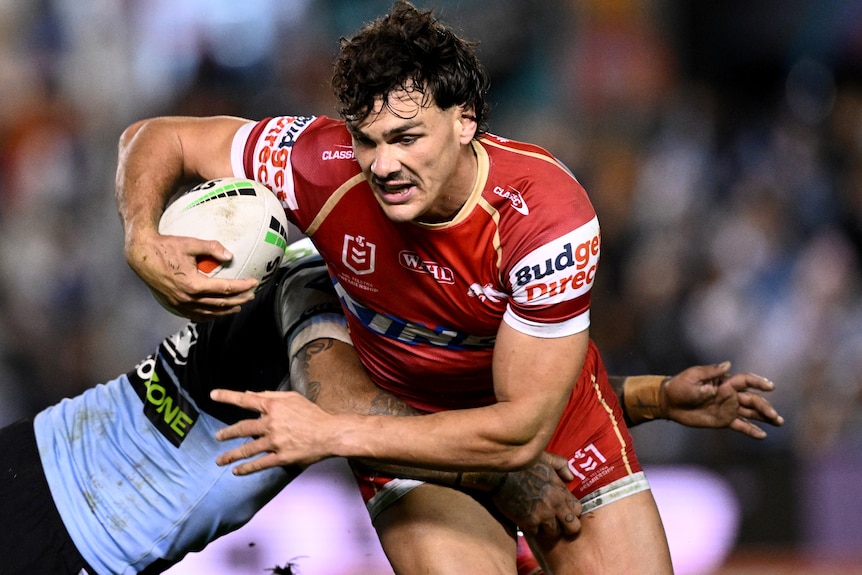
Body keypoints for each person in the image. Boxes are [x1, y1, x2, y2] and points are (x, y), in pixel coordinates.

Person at [113, 3, 781, 573]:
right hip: (401, 421)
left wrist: (331, 430)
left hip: (540, 426)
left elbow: (519, 430)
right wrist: (143, 237)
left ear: (465, 121)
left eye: (407, 138)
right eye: (368, 140)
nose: (383, 165)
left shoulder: (546, 218)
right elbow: (156, 138)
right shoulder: (319, 161)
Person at [0, 243, 782, 575]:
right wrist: (501, 484)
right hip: (63, 529)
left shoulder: (387, 302)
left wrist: (651, 397)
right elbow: (355, 411)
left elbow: (483, 421)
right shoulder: (321, 290)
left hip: (38, 461)